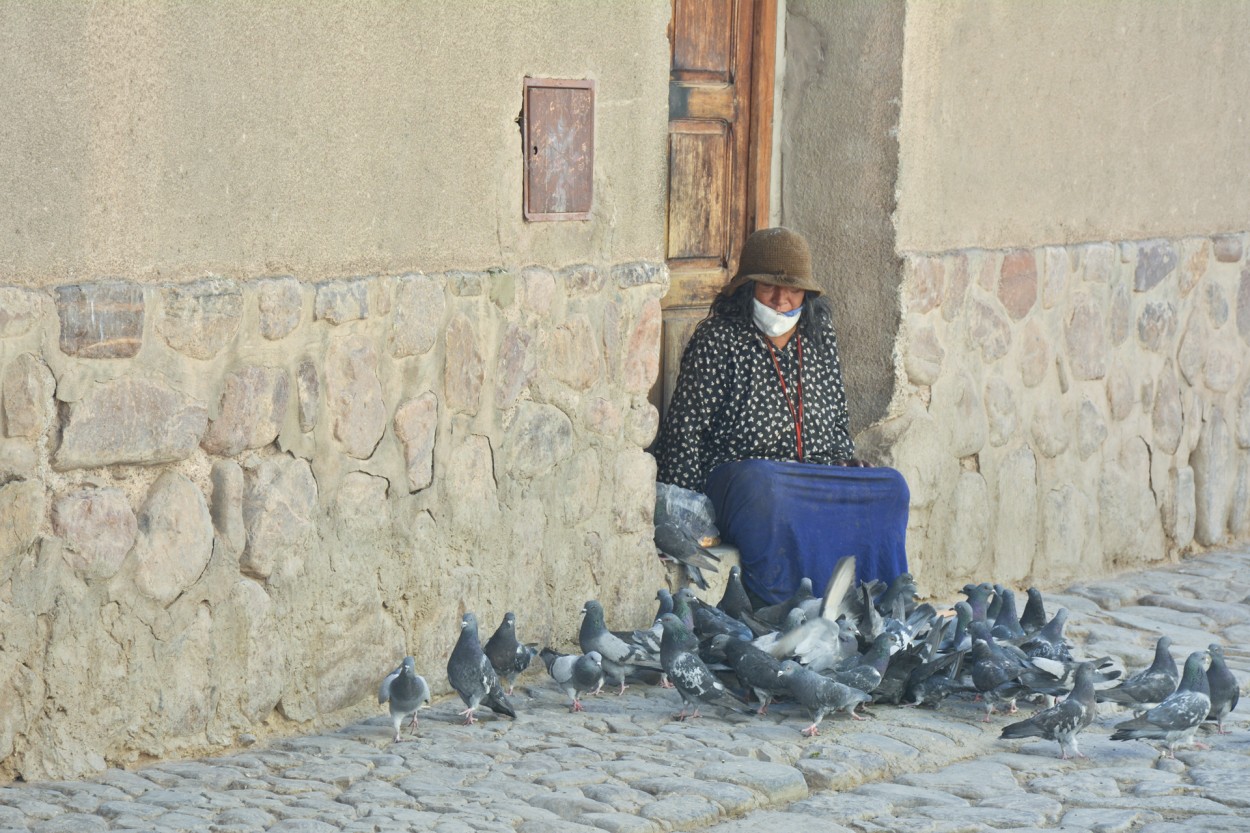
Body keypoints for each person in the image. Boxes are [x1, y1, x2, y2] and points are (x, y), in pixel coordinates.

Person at [653, 226, 910, 605]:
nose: (781, 300)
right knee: (765, 485)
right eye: (768, 287)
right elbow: (684, 432)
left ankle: (872, 608)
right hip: (746, 482)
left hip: (812, 477)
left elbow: (837, 414)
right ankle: (781, 609)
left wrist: (845, 460)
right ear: (746, 288)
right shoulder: (718, 339)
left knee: (891, 487)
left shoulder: (818, 335)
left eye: (792, 289)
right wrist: (687, 514)